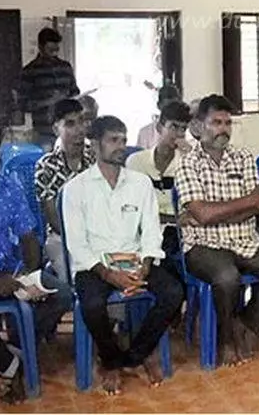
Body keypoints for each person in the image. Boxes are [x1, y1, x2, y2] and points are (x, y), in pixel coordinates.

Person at [62, 116, 184, 395]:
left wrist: (147, 264)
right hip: (95, 265)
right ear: (95, 145)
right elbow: (77, 244)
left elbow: (151, 230)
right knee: (92, 304)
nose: (121, 146)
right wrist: (108, 274)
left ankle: (136, 354)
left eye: (123, 139)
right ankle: (111, 361)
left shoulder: (140, 183)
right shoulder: (76, 189)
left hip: (135, 260)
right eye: (113, 140)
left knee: (173, 292)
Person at [175, 94, 259, 367]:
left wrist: (217, 212)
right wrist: (243, 204)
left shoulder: (243, 157)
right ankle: (226, 339)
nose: (223, 129)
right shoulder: (187, 163)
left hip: (245, 239)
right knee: (227, 277)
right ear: (199, 126)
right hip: (203, 245)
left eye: (227, 123)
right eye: (216, 122)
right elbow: (203, 214)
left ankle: (245, 324)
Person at [0, 120, 73, 404]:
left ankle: (16, 345)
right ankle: (9, 365)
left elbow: (28, 235)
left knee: (62, 294)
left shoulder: (9, 186)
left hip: (8, 269)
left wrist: (29, 272)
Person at [126, 101, 192, 276]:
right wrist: (171, 219)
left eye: (183, 129)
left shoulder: (187, 162)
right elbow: (133, 208)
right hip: (144, 231)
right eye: (173, 127)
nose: (179, 134)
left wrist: (193, 158)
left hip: (178, 234)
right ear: (159, 127)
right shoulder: (136, 162)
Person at [35, 98, 94, 285]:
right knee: (81, 279)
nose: (79, 130)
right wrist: (82, 242)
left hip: (99, 233)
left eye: (81, 121)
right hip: (62, 239)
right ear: (56, 129)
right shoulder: (46, 166)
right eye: (70, 124)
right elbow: (54, 219)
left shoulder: (95, 158)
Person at [16, 28, 80, 150]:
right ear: (40, 47)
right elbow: (23, 105)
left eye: (56, 49)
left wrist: (66, 97)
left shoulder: (65, 67)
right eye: (50, 50)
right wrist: (48, 101)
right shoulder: (30, 71)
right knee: (46, 159)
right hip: (44, 132)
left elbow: (75, 92)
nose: (54, 53)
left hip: (68, 130)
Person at [136, 84, 183, 150]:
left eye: (174, 106)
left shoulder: (186, 131)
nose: (170, 110)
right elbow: (140, 155)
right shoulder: (145, 133)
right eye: (166, 107)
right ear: (159, 106)